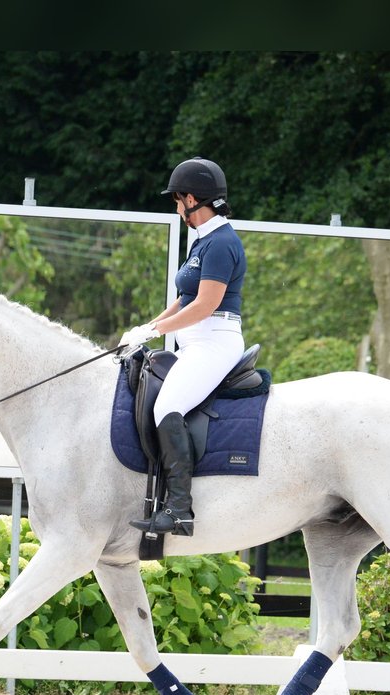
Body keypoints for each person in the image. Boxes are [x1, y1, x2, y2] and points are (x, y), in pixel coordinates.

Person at [120, 157, 246, 537]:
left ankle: (179, 509)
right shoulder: (203, 241)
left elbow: (206, 305)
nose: (177, 209)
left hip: (215, 342)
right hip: (196, 343)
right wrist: (147, 327)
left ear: (192, 199)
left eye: (178, 202)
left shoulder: (222, 242)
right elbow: (184, 298)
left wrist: (155, 330)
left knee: (167, 405)